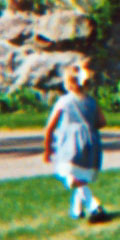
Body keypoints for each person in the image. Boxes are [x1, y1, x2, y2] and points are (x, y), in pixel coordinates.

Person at [42, 62, 109, 223]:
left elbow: (50, 127)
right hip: (91, 142)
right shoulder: (92, 102)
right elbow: (102, 122)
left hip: (71, 143)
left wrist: (47, 149)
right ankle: (76, 210)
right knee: (81, 174)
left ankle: (93, 205)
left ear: (69, 83)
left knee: (71, 175)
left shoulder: (64, 102)